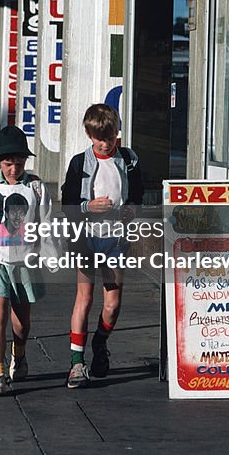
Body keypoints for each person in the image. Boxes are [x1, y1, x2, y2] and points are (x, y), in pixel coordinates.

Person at [61, 103, 144, 388]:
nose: (106, 144)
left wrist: (131, 212)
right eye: (100, 139)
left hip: (116, 239)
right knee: (84, 298)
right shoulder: (79, 162)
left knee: (113, 303)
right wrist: (88, 206)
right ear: (89, 135)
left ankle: (100, 341)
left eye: (110, 137)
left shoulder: (129, 159)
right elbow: (68, 204)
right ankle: (76, 364)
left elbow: (138, 196)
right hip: (86, 237)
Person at [0, 125, 51, 396]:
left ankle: (18, 354)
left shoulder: (36, 187)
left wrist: (51, 256)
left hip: (25, 260)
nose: (13, 169)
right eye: (8, 164)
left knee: (21, 321)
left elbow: (47, 221)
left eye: (19, 164)